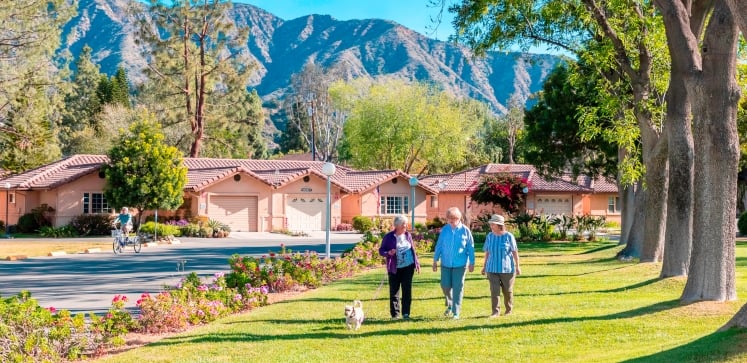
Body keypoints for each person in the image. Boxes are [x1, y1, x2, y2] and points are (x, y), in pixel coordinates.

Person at [432, 207, 475, 319]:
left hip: (460, 264)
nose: (451, 221)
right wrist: (435, 260)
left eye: (454, 218)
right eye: (449, 218)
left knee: (457, 287)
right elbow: (439, 245)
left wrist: (472, 262)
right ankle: (450, 303)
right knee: (445, 285)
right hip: (445, 263)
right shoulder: (445, 230)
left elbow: (470, 247)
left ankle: (456, 312)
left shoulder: (465, 230)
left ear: (459, 218)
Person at [379, 215, 421, 320]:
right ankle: (395, 314)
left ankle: (406, 313)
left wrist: (417, 263)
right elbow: (381, 250)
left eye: (406, 224)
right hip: (394, 267)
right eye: (403, 224)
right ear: (397, 226)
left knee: (407, 289)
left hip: (408, 266)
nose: (405, 226)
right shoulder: (389, 237)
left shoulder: (408, 235)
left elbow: (413, 250)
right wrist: (388, 252)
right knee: (394, 291)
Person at [481, 214, 521, 317]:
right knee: (494, 291)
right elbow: (487, 252)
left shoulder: (509, 236)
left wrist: (518, 266)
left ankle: (508, 309)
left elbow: (514, 252)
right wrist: (484, 266)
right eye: (491, 224)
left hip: (507, 269)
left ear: (499, 225)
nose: (491, 226)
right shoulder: (489, 236)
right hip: (492, 268)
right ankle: (495, 312)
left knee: (507, 291)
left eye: (493, 224)